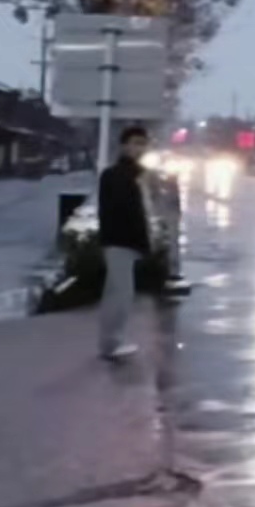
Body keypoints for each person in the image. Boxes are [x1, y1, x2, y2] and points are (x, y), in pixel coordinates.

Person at [96, 126, 154, 360]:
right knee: (121, 294)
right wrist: (141, 241)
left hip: (119, 241)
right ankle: (112, 343)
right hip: (120, 241)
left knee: (115, 293)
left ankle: (109, 342)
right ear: (124, 146)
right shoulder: (120, 175)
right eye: (135, 143)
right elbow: (127, 212)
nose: (139, 148)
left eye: (143, 143)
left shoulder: (134, 174)